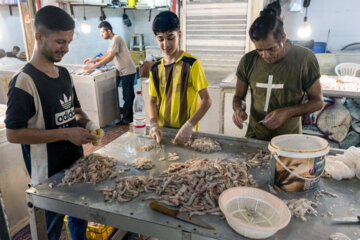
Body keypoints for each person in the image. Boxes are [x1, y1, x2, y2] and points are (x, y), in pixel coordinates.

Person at [5, 6, 102, 240]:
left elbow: (75, 110)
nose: (66, 49)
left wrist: (88, 126)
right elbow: (13, 134)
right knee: (50, 228)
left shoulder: (64, 74)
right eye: (60, 42)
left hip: (75, 165)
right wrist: (67, 134)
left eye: (68, 41)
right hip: (46, 176)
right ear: (39, 37)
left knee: (79, 218)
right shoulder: (23, 83)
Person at [232, 2, 323, 141]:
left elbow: (317, 102)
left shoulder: (304, 58)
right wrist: (239, 109)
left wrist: (287, 112)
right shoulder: (248, 61)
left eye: (271, 49)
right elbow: (239, 98)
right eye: (259, 50)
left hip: (289, 139)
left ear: (283, 38)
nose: (265, 55)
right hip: (256, 137)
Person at [148, 11, 212, 144]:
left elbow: (207, 100)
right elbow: (152, 101)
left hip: (186, 134)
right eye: (160, 39)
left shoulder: (191, 64)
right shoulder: (155, 68)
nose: (166, 45)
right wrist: (153, 124)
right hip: (163, 133)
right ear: (156, 38)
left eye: (170, 38)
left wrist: (189, 125)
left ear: (179, 35)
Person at [83, 21, 136, 125]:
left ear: (109, 30)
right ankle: (129, 116)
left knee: (127, 96)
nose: (101, 34)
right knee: (128, 95)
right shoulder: (112, 40)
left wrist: (93, 66)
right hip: (124, 71)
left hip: (127, 71)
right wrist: (94, 60)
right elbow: (107, 54)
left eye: (102, 32)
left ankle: (127, 119)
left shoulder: (116, 38)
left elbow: (110, 57)